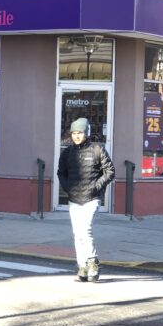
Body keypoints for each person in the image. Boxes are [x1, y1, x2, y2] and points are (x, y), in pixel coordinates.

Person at [57, 117, 115, 282]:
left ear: (86, 133)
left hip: (91, 199)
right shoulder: (67, 153)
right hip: (74, 198)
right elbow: (61, 172)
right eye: (74, 133)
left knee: (85, 231)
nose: (76, 136)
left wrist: (96, 187)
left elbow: (109, 171)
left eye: (80, 132)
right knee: (77, 234)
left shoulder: (97, 150)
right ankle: (82, 267)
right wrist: (68, 187)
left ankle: (93, 262)